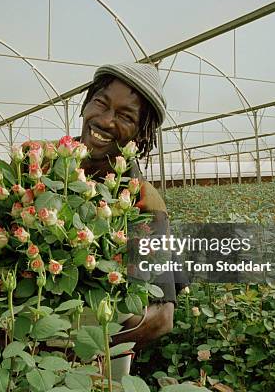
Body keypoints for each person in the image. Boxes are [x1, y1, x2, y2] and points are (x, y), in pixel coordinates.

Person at [78, 62, 186, 351]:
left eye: (125, 116)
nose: (105, 120)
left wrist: (84, 349)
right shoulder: (37, 165)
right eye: (100, 103)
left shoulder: (145, 204)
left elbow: (161, 318)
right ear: (86, 104)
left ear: (141, 136)